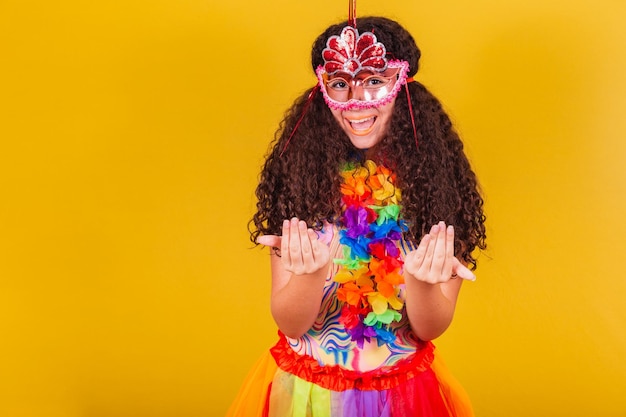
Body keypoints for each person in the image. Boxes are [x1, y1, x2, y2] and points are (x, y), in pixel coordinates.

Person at [227, 8, 486, 417]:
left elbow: (430, 329)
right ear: (322, 90)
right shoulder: (302, 184)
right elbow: (291, 325)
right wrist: (310, 274)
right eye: (341, 84)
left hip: (403, 394)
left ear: (402, 86)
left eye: (374, 82)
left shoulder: (434, 190)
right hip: (307, 396)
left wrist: (420, 283)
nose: (355, 102)